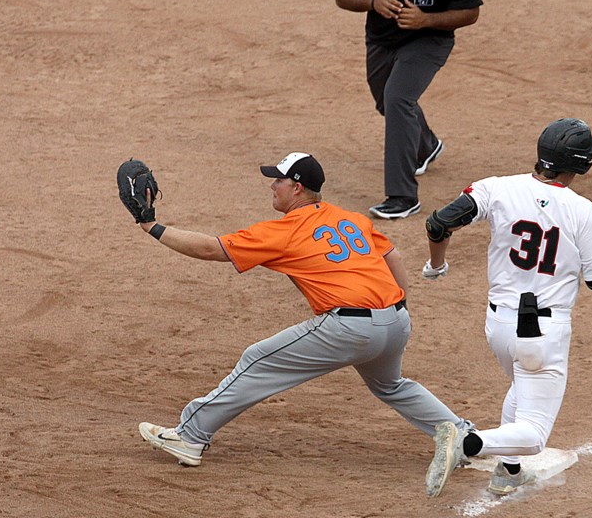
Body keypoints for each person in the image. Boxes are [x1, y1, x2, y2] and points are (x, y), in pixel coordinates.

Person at [127, 152, 473, 467]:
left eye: (277, 180)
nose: (272, 186)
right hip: (396, 321)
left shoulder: (286, 230)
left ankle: (190, 436)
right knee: (391, 385)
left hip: (350, 327)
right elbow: (391, 256)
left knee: (257, 359)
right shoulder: (350, 219)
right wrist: (400, 310)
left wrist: (151, 227)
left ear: (296, 188)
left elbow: (209, 249)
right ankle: (466, 437)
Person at [420, 119, 592, 497]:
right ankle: (467, 442)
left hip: (498, 324)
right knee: (534, 435)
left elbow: (439, 222)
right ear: (582, 164)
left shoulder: (496, 188)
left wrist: (436, 265)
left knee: (521, 386)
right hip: (542, 335)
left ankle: (508, 472)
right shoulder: (582, 210)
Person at [333, 0, 483, 220]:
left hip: (429, 40)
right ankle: (425, 145)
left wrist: (425, 20)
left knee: (398, 97)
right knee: (386, 100)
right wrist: (373, 1)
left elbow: (470, 11)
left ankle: (402, 196)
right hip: (382, 39)